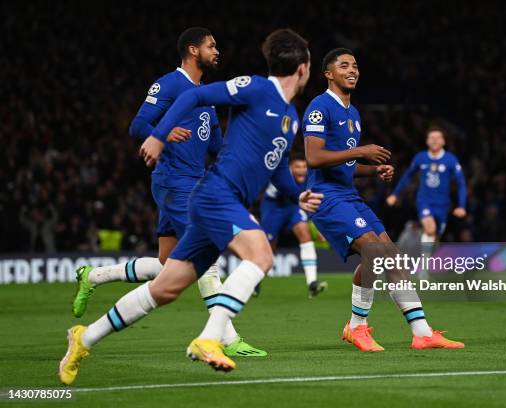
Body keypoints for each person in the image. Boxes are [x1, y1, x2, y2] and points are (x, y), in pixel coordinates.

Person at [59, 29, 321, 383]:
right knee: (260, 254)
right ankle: (212, 338)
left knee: (165, 288)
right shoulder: (257, 87)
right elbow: (192, 98)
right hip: (216, 193)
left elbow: (275, 169)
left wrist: (298, 196)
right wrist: (157, 134)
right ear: (303, 69)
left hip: (219, 198)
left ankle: (83, 338)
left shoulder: (292, 118)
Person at [70, 27, 265, 357]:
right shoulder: (169, 84)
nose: (218, 51)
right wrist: (163, 131)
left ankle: (95, 276)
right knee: (207, 253)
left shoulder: (206, 95)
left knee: (168, 264)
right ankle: (225, 339)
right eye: (211, 46)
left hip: (193, 181)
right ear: (193, 50)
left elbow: (217, 145)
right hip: (174, 181)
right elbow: (137, 125)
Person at [303, 48, 464, 352]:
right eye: (344, 65)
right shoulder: (319, 106)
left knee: (392, 256)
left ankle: (422, 332)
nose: (353, 70)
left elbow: (345, 166)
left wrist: (372, 170)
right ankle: (356, 327)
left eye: (356, 66)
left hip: (348, 195)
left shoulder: (353, 112)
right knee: (375, 251)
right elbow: (314, 157)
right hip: (325, 197)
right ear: (328, 73)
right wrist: (361, 151)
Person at [259, 155, 327, 297]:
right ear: (290, 168)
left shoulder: (309, 178)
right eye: (298, 167)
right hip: (274, 208)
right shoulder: (282, 179)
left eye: (304, 167)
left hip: (293, 206)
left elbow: (310, 201)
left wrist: (320, 226)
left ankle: (312, 283)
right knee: (269, 247)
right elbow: (282, 194)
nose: (302, 170)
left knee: (305, 235)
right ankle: (255, 281)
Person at [386, 128, 467, 244]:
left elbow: (461, 183)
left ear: (444, 141)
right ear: (427, 141)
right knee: (430, 228)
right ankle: (425, 261)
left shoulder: (451, 160)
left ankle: (429, 255)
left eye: (438, 138)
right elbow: (407, 176)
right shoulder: (421, 157)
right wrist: (395, 194)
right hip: (424, 201)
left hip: (443, 205)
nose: (434, 140)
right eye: (431, 138)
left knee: (435, 236)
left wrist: (462, 206)